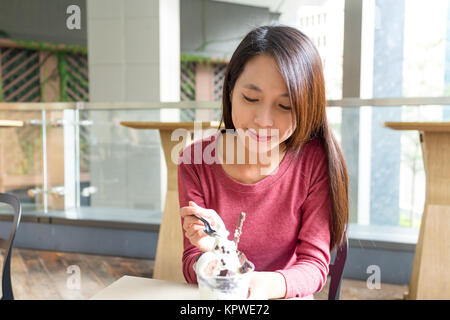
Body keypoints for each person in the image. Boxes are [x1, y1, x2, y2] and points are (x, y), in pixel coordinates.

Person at [178, 25, 349, 299]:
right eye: (251, 98)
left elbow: (315, 265)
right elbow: (190, 262)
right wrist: (214, 253)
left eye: (285, 106)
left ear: (307, 107)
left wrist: (260, 286)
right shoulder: (195, 161)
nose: (263, 120)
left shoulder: (314, 161)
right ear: (231, 90)